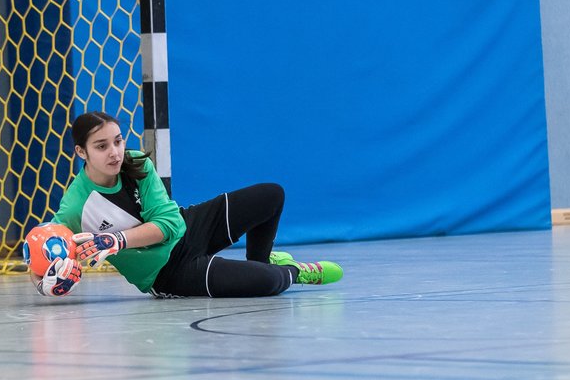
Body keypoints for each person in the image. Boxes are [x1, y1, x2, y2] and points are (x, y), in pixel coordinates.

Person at [31, 111, 343, 298]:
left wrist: (116, 240)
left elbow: (172, 225)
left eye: (118, 140)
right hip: (168, 273)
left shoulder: (136, 163)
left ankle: (261, 260)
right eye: (102, 146)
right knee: (271, 283)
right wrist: (45, 283)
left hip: (190, 227)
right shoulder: (76, 207)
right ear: (81, 152)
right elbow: (41, 255)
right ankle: (292, 272)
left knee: (272, 194)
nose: (114, 152)